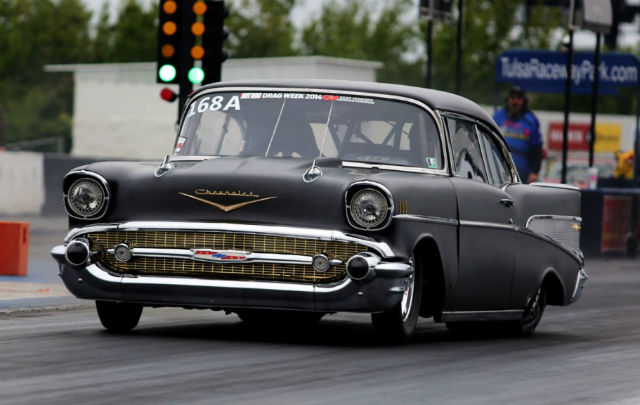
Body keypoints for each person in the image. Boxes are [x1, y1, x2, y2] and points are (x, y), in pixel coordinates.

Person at [492, 86, 543, 183]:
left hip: (523, 176)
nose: (515, 101)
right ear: (508, 99)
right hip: (498, 172)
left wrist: (535, 172)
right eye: (513, 97)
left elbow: (537, 149)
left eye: (519, 98)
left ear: (524, 101)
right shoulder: (498, 117)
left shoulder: (531, 121)